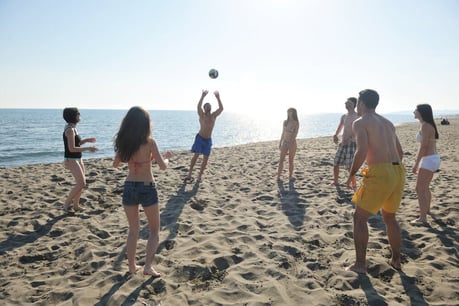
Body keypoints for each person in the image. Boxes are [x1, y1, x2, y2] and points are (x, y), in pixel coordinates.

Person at [345, 89, 405, 274]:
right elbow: (400, 153)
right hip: (398, 171)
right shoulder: (388, 123)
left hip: (380, 172)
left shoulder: (360, 122)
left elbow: (361, 150)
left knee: (359, 218)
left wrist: (352, 173)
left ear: (361, 104)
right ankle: (396, 260)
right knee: (390, 217)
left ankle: (360, 265)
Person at [113, 106, 172, 276]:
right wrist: (167, 158)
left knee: (133, 230)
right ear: (145, 124)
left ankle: (131, 267)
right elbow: (162, 167)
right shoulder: (150, 142)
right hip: (147, 187)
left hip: (130, 186)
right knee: (154, 230)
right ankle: (147, 266)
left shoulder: (125, 143)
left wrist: (131, 159)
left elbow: (116, 164)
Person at [62, 107, 97, 212]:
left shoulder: (73, 128)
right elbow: (71, 149)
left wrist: (86, 140)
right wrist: (88, 148)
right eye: (78, 113)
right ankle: (67, 203)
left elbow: (77, 144)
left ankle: (76, 206)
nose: (79, 115)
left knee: (82, 183)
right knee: (81, 183)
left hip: (78, 158)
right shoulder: (69, 130)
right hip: (71, 159)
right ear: (73, 116)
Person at [185, 89, 224, 182]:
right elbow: (198, 106)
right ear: (204, 108)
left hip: (208, 140)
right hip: (200, 138)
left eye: (209, 106)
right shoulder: (202, 115)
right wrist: (202, 96)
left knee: (205, 159)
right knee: (196, 155)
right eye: (206, 106)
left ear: (210, 108)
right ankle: (190, 173)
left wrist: (218, 98)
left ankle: (199, 176)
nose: (208, 107)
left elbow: (221, 108)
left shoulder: (214, 116)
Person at [412, 104, 440, 224]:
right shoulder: (426, 125)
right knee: (425, 188)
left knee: (419, 189)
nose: (414, 111)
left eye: (416, 110)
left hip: (428, 159)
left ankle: (422, 218)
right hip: (432, 158)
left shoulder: (425, 126)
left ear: (421, 112)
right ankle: (426, 210)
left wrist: (416, 164)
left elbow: (423, 147)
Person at [332, 98, 360, 187]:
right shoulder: (344, 116)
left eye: (349, 103)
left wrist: (350, 138)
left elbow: (358, 130)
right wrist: (335, 135)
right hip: (343, 143)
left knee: (349, 166)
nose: (347, 105)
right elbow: (340, 127)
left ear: (354, 104)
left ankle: (353, 184)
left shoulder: (357, 116)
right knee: (336, 163)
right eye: (346, 103)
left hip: (352, 144)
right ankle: (335, 182)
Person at [277, 108, 299, 181]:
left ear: (294, 113)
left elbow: (295, 134)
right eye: (288, 111)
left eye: (290, 111)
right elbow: (283, 133)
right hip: (285, 142)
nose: (289, 113)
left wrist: (290, 142)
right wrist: (280, 143)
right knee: (281, 160)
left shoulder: (296, 122)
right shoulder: (285, 122)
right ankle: (278, 176)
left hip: (292, 143)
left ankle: (290, 176)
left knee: (290, 160)